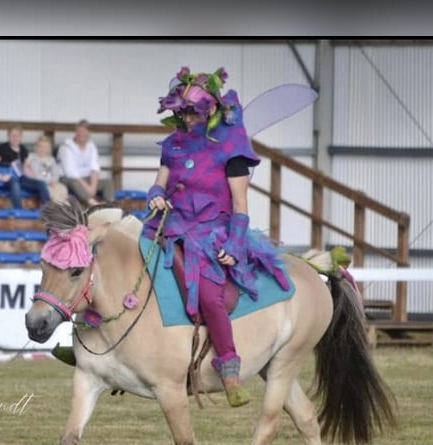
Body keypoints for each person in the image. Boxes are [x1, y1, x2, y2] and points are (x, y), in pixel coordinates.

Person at [142, 66, 291, 408]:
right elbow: (159, 181)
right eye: (181, 113)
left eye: (191, 113)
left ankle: (229, 368)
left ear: (208, 112)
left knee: (209, 296)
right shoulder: (173, 146)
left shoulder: (232, 152)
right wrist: (154, 194)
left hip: (211, 234)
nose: (186, 119)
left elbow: (240, 205)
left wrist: (234, 246)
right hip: (170, 225)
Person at [0, 126, 51, 210]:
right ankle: (18, 211)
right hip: (5, 178)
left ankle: (47, 211)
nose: (15, 138)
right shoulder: (1, 149)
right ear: (8, 136)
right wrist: (1, 177)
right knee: (14, 183)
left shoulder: (23, 150)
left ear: (21, 137)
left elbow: (26, 169)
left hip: (20, 177)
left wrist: (35, 179)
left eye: (18, 136)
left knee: (41, 184)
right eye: (13, 135)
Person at [57, 119, 115, 207]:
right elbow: (70, 172)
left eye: (84, 131)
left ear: (88, 133)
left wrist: (93, 187)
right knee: (75, 183)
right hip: (70, 179)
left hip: (87, 178)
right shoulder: (66, 147)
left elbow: (95, 168)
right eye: (79, 131)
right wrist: (88, 188)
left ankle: (110, 205)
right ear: (75, 132)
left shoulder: (91, 147)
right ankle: (92, 203)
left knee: (108, 182)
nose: (82, 134)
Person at [26, 136, 69, 203]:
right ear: (36, 147)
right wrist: (45, 182)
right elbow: (29, 171)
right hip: (40, 183)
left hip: (52, 182)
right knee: (51, 192)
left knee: (63, 188)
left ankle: (64, 206)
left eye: (45, 147)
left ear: (49, 149)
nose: (42, 149)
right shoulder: (32, 157)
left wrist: (54, 180)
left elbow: (56, 172)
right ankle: (57, 207)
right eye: (40, 146)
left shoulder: (51, 159)